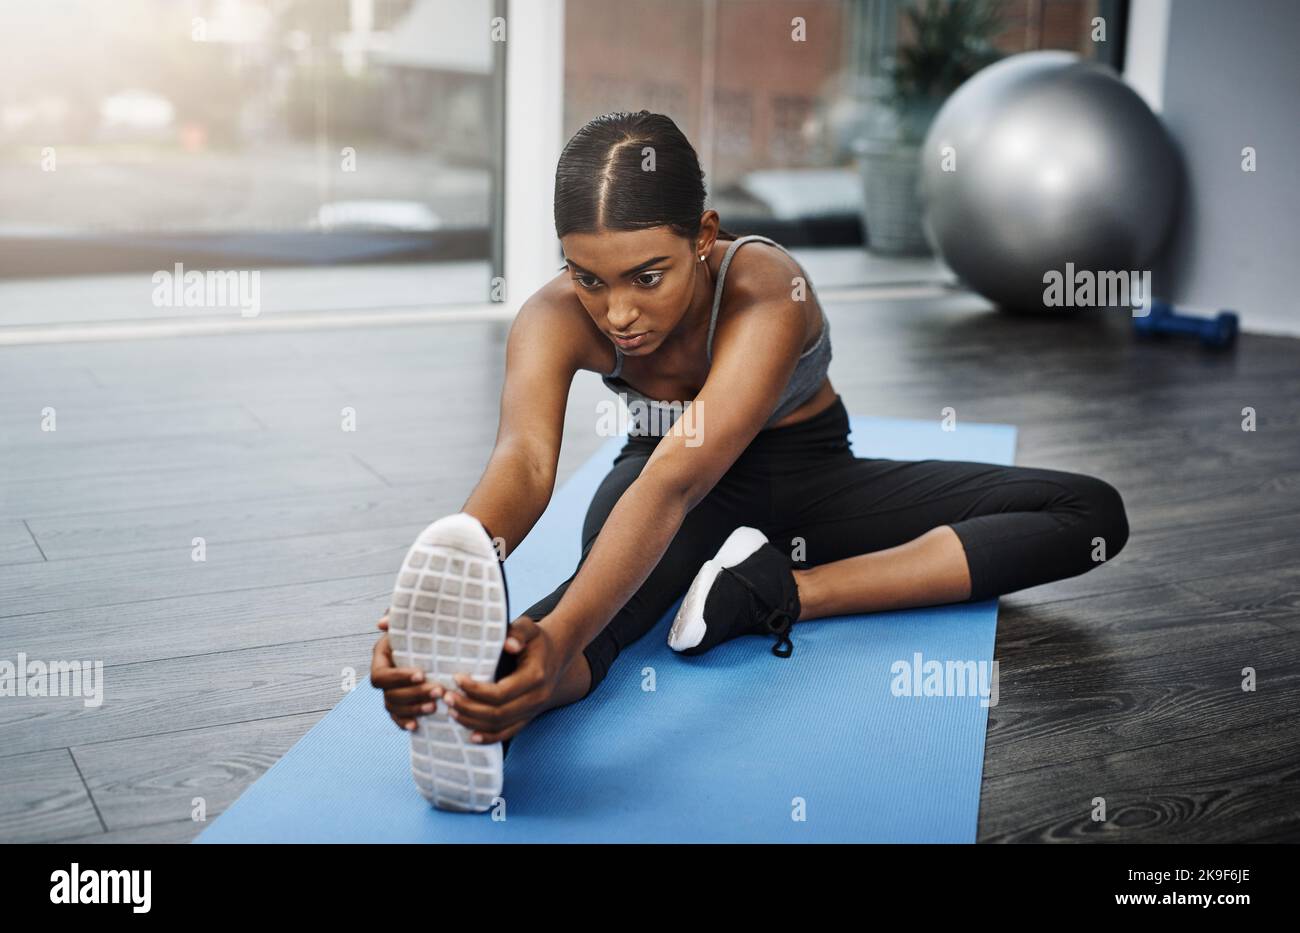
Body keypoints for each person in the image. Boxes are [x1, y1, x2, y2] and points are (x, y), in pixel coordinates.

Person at [370, 110, 1129, 810]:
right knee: (584, 615)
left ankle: (780, 589)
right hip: (661, 486)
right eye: (589, 277)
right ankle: (476, 696)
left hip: (805, 475)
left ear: (704, 234)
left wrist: (569, 630)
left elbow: (684, 473)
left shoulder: (766, 283)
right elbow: (527, 461)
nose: (619, 312)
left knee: (1090, 511)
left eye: (647, 275)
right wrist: (454, 581)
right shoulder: (553, 317)